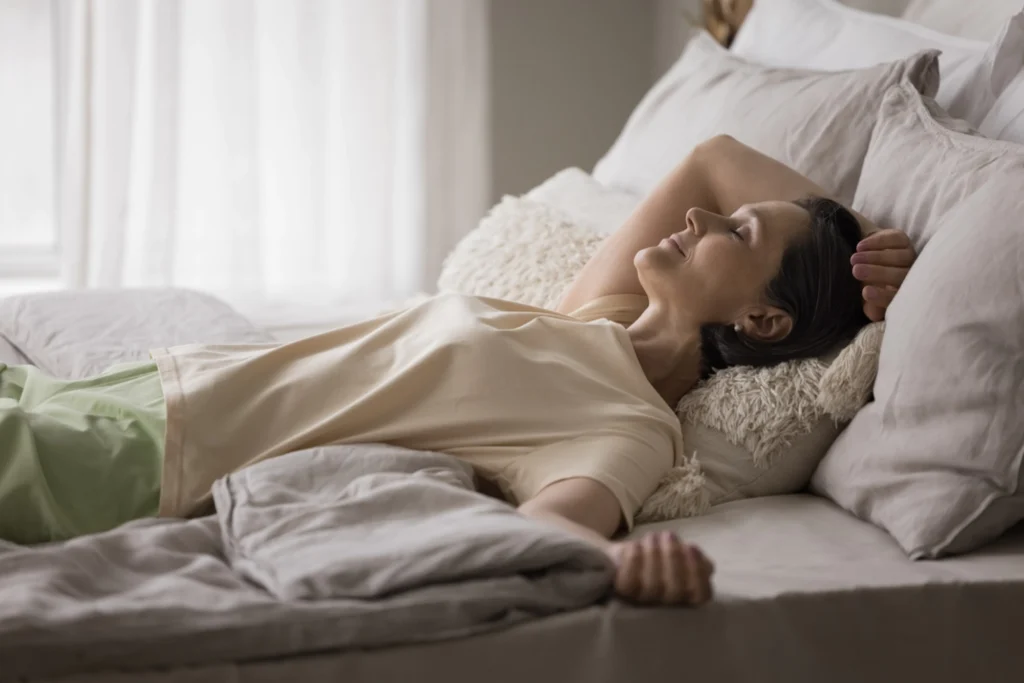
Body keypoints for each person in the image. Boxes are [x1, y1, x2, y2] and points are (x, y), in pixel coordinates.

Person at [0, 135, 915, 607]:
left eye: (739, 233)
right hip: (131, 390)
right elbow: (712, 159)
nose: (703, 220)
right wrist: (863, 240)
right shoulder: (588, 320)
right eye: (727, 217)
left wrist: (627, 572)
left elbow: (557, 521)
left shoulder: (630, 427)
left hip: (138, 458)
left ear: (761, 319)